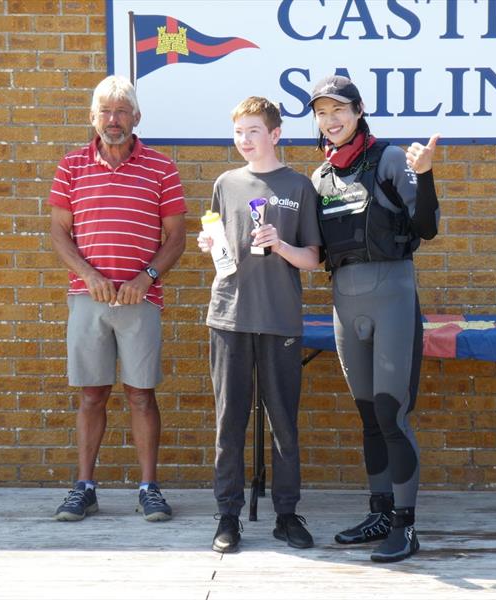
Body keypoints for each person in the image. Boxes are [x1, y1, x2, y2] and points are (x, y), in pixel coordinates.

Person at [308, 75, 440, 562]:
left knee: (392, 414)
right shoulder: (320, 177)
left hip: (392, 298)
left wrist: (424, 175)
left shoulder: (388, 159)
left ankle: (406, 526)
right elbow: (311, 248)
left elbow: (428, 226)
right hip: (346, 303)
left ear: (359, 111)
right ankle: (380, 511)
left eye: (339, 109)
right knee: (368, 417)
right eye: (321, 112)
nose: (330, 119)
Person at [48, 75, 186, 522]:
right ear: (93, 118)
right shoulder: (71, 166)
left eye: (122, 111)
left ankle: (149, 487)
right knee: (92, 395)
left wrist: (146, 278)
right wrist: (88, 275)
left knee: (142, 394)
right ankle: (84, 487)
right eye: (105, 111)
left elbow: (177, 238)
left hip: (140, 300)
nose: (113, 119)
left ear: (137, 117)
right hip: (88, 298)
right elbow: (58, 232)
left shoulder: (162, 169)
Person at [197, 96, 322, 553]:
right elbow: (217, 244)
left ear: (275, 134)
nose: (244, 140)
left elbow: (314, 257)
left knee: (283, 423)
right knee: (228, 421)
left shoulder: (299, 186)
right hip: (229, 315)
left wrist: (282, 245)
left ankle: (287, 515)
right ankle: (227, 517)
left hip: (279, 317)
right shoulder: (226, 183)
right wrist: (208, 242)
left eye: (253, 131)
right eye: (238, 132)